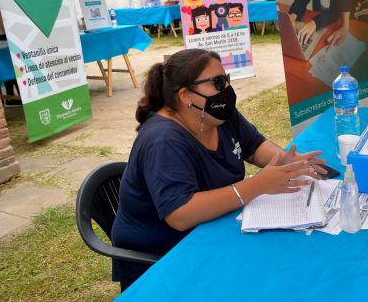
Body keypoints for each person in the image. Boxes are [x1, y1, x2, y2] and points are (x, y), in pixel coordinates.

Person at [111, 49, 327, 290]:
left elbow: (254, 147)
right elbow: (181, 214)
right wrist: (259, 185)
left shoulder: (217, 115)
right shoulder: (163, 140)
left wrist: (286, 161)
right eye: (217, 82)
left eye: (226, 79)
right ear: (185, 95)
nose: (226, 90)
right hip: (166, 260)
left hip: (214, 232)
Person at [290, 0, 357, 46]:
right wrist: (292, 17)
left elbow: (338, 10)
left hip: (334, 23)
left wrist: (315, 23)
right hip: (318, 19)